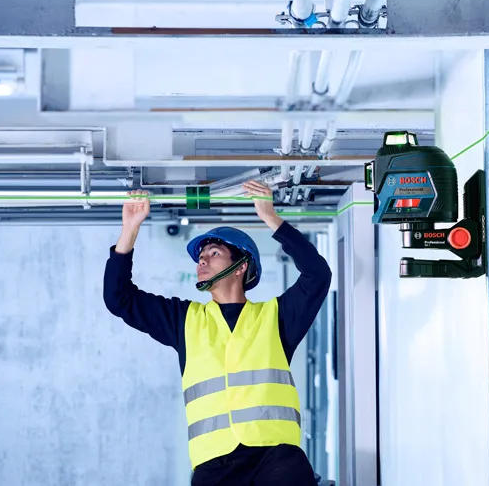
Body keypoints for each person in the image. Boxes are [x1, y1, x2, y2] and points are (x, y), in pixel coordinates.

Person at [102, 179, 332, 486]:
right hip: (214, 464)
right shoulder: (184, 320)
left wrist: (270, 217)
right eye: (201, 256)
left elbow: (317, 274)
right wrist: (129, 229)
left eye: (213, 252)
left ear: (240, 267)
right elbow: (120, 298)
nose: (202, 260)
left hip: (275, 456)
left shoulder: (276, 317)